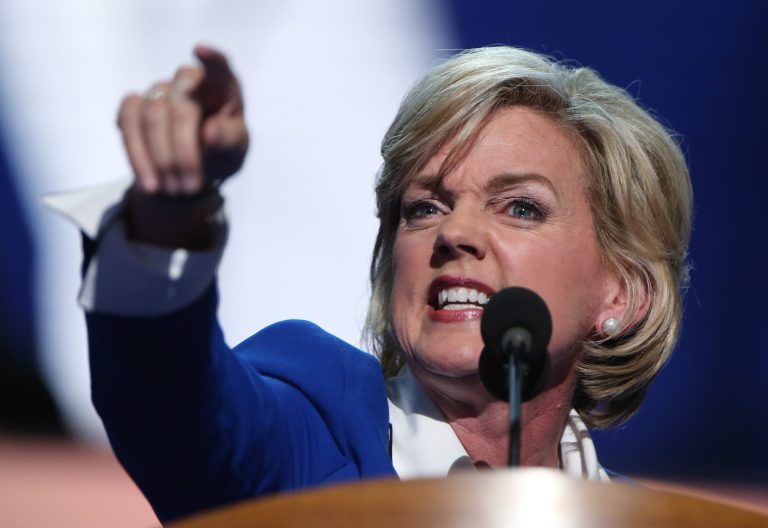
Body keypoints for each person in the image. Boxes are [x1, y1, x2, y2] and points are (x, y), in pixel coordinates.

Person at [47, 45, 691, 522]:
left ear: (622, 296)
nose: (453, 234)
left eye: (519, 206)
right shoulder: (312, 429)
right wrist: (166, 219)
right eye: (424, 207)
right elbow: (174, 404)